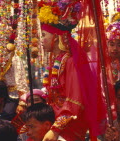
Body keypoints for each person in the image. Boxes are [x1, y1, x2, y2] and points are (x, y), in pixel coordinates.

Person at [38, 1, 104, 140]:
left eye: (44, 35)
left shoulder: (70, 62)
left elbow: (75, 101)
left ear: (55, 37)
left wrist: (56, 129)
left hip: (68, 127)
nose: (41, 40)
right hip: (54, 121)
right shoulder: (56, 60)